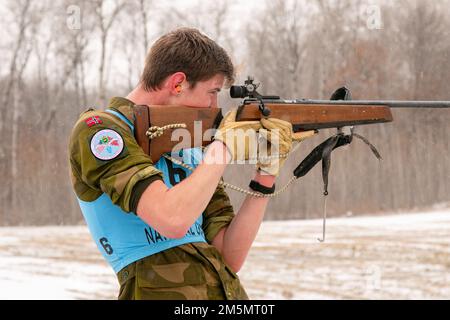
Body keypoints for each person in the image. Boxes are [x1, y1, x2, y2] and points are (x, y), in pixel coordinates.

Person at [68, 27, 299, 300]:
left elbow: (229, 254)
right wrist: (223, 147)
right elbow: (172, 219)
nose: (214, 106)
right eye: (212, 92)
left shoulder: (188, 141)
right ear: (178, 83)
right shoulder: (100, 131)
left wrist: (266, 175)